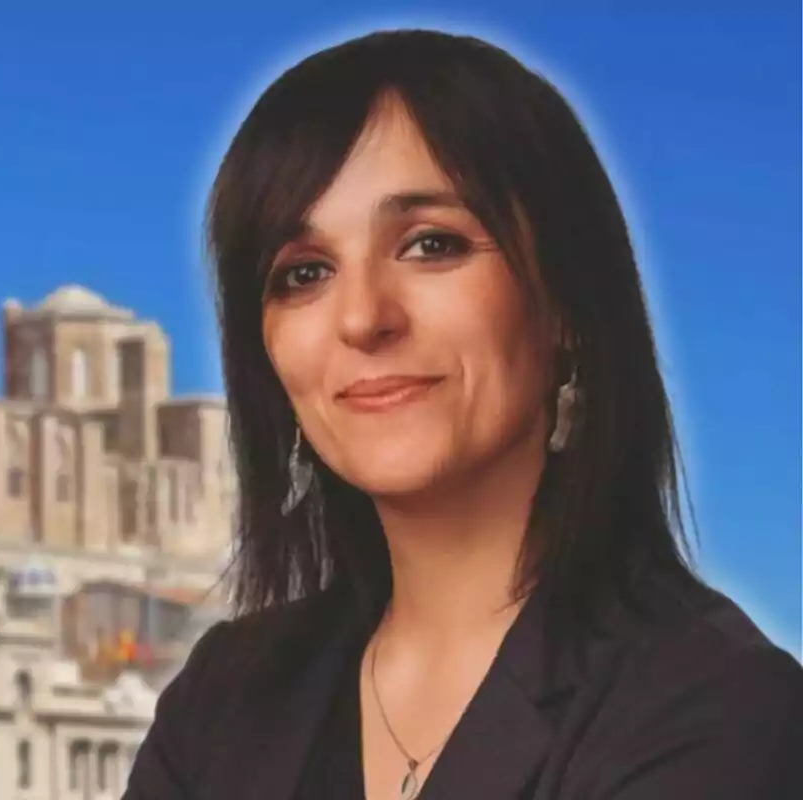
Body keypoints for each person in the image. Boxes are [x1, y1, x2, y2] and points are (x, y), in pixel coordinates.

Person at [122, 28, 803, 800]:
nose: (363, 318)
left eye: (430, 245)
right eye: (304, 273)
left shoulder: (718, 708)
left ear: (565, 304)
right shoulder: (223, 700)